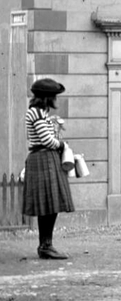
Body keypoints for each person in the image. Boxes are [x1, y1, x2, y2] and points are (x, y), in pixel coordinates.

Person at [22, 78, 73, 259]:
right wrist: (61, 144)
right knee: (48, 204)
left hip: (45, 158)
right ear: (47, 97)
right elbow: (47, 140)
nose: (56, 100)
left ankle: (46, 244)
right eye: (54, 96)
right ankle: (45, 245)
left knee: (51, 204)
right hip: (43, 158)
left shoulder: (39, 112)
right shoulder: (36, 113)